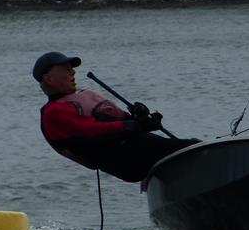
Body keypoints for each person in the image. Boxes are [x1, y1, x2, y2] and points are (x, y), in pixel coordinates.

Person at [33, 51, 199, 183]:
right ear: (49, 79)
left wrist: (141, 118)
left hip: (135, 148)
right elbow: (91, 131)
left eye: (72, 68)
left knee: (192, 146)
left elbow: (123, 123)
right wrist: (133, 125)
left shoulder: (83, 97)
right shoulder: (53, 113)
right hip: (124, 160)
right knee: (194, 148)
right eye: (66, 69)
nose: (72, 71)